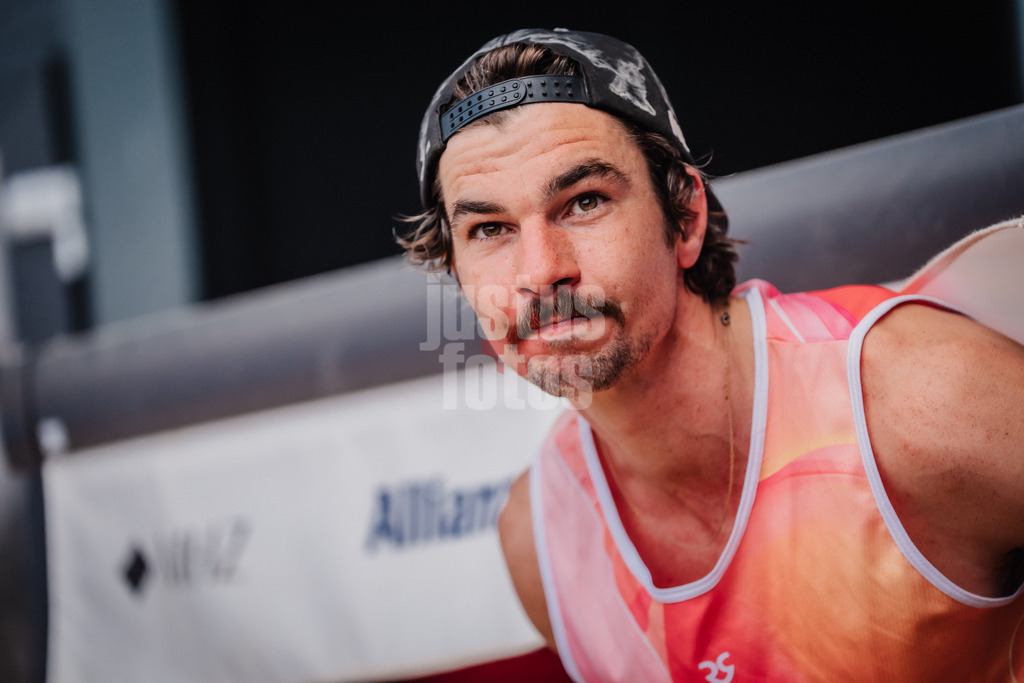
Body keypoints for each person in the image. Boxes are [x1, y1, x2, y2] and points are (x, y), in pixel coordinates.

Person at [400, 28, 1024, 681]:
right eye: (490, 229)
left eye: (584, 201)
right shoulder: (540, 541)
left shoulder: (915, 399)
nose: (540, 271)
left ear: (686, 217)